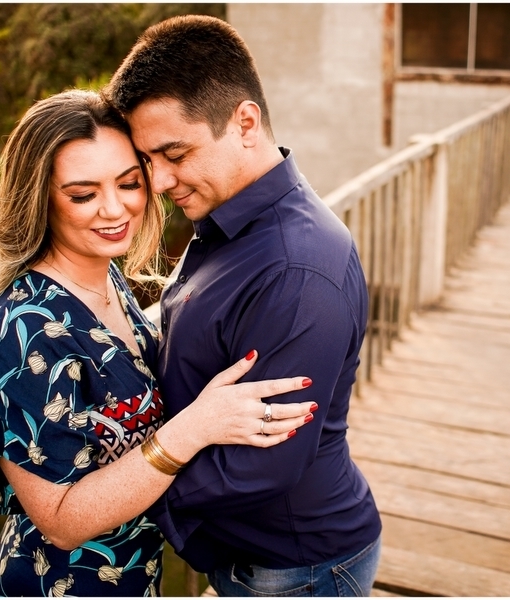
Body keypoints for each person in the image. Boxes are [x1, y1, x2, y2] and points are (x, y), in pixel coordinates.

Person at [0, 89, 317, 597]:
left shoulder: (107, 281)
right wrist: (192, 429)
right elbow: (61, 521)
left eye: (129, 183)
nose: (114, 209)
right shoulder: (19, 328)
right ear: (39, 199)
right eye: (82, 194)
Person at [104, 15, 382, 596]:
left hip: (297, 568)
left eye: (173, 153)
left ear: (245, 123)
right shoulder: (226, 219)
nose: (157, 182)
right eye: (147, 160)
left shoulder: (296, 271)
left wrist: (118, 493)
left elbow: (267, 465)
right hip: (251, 554)